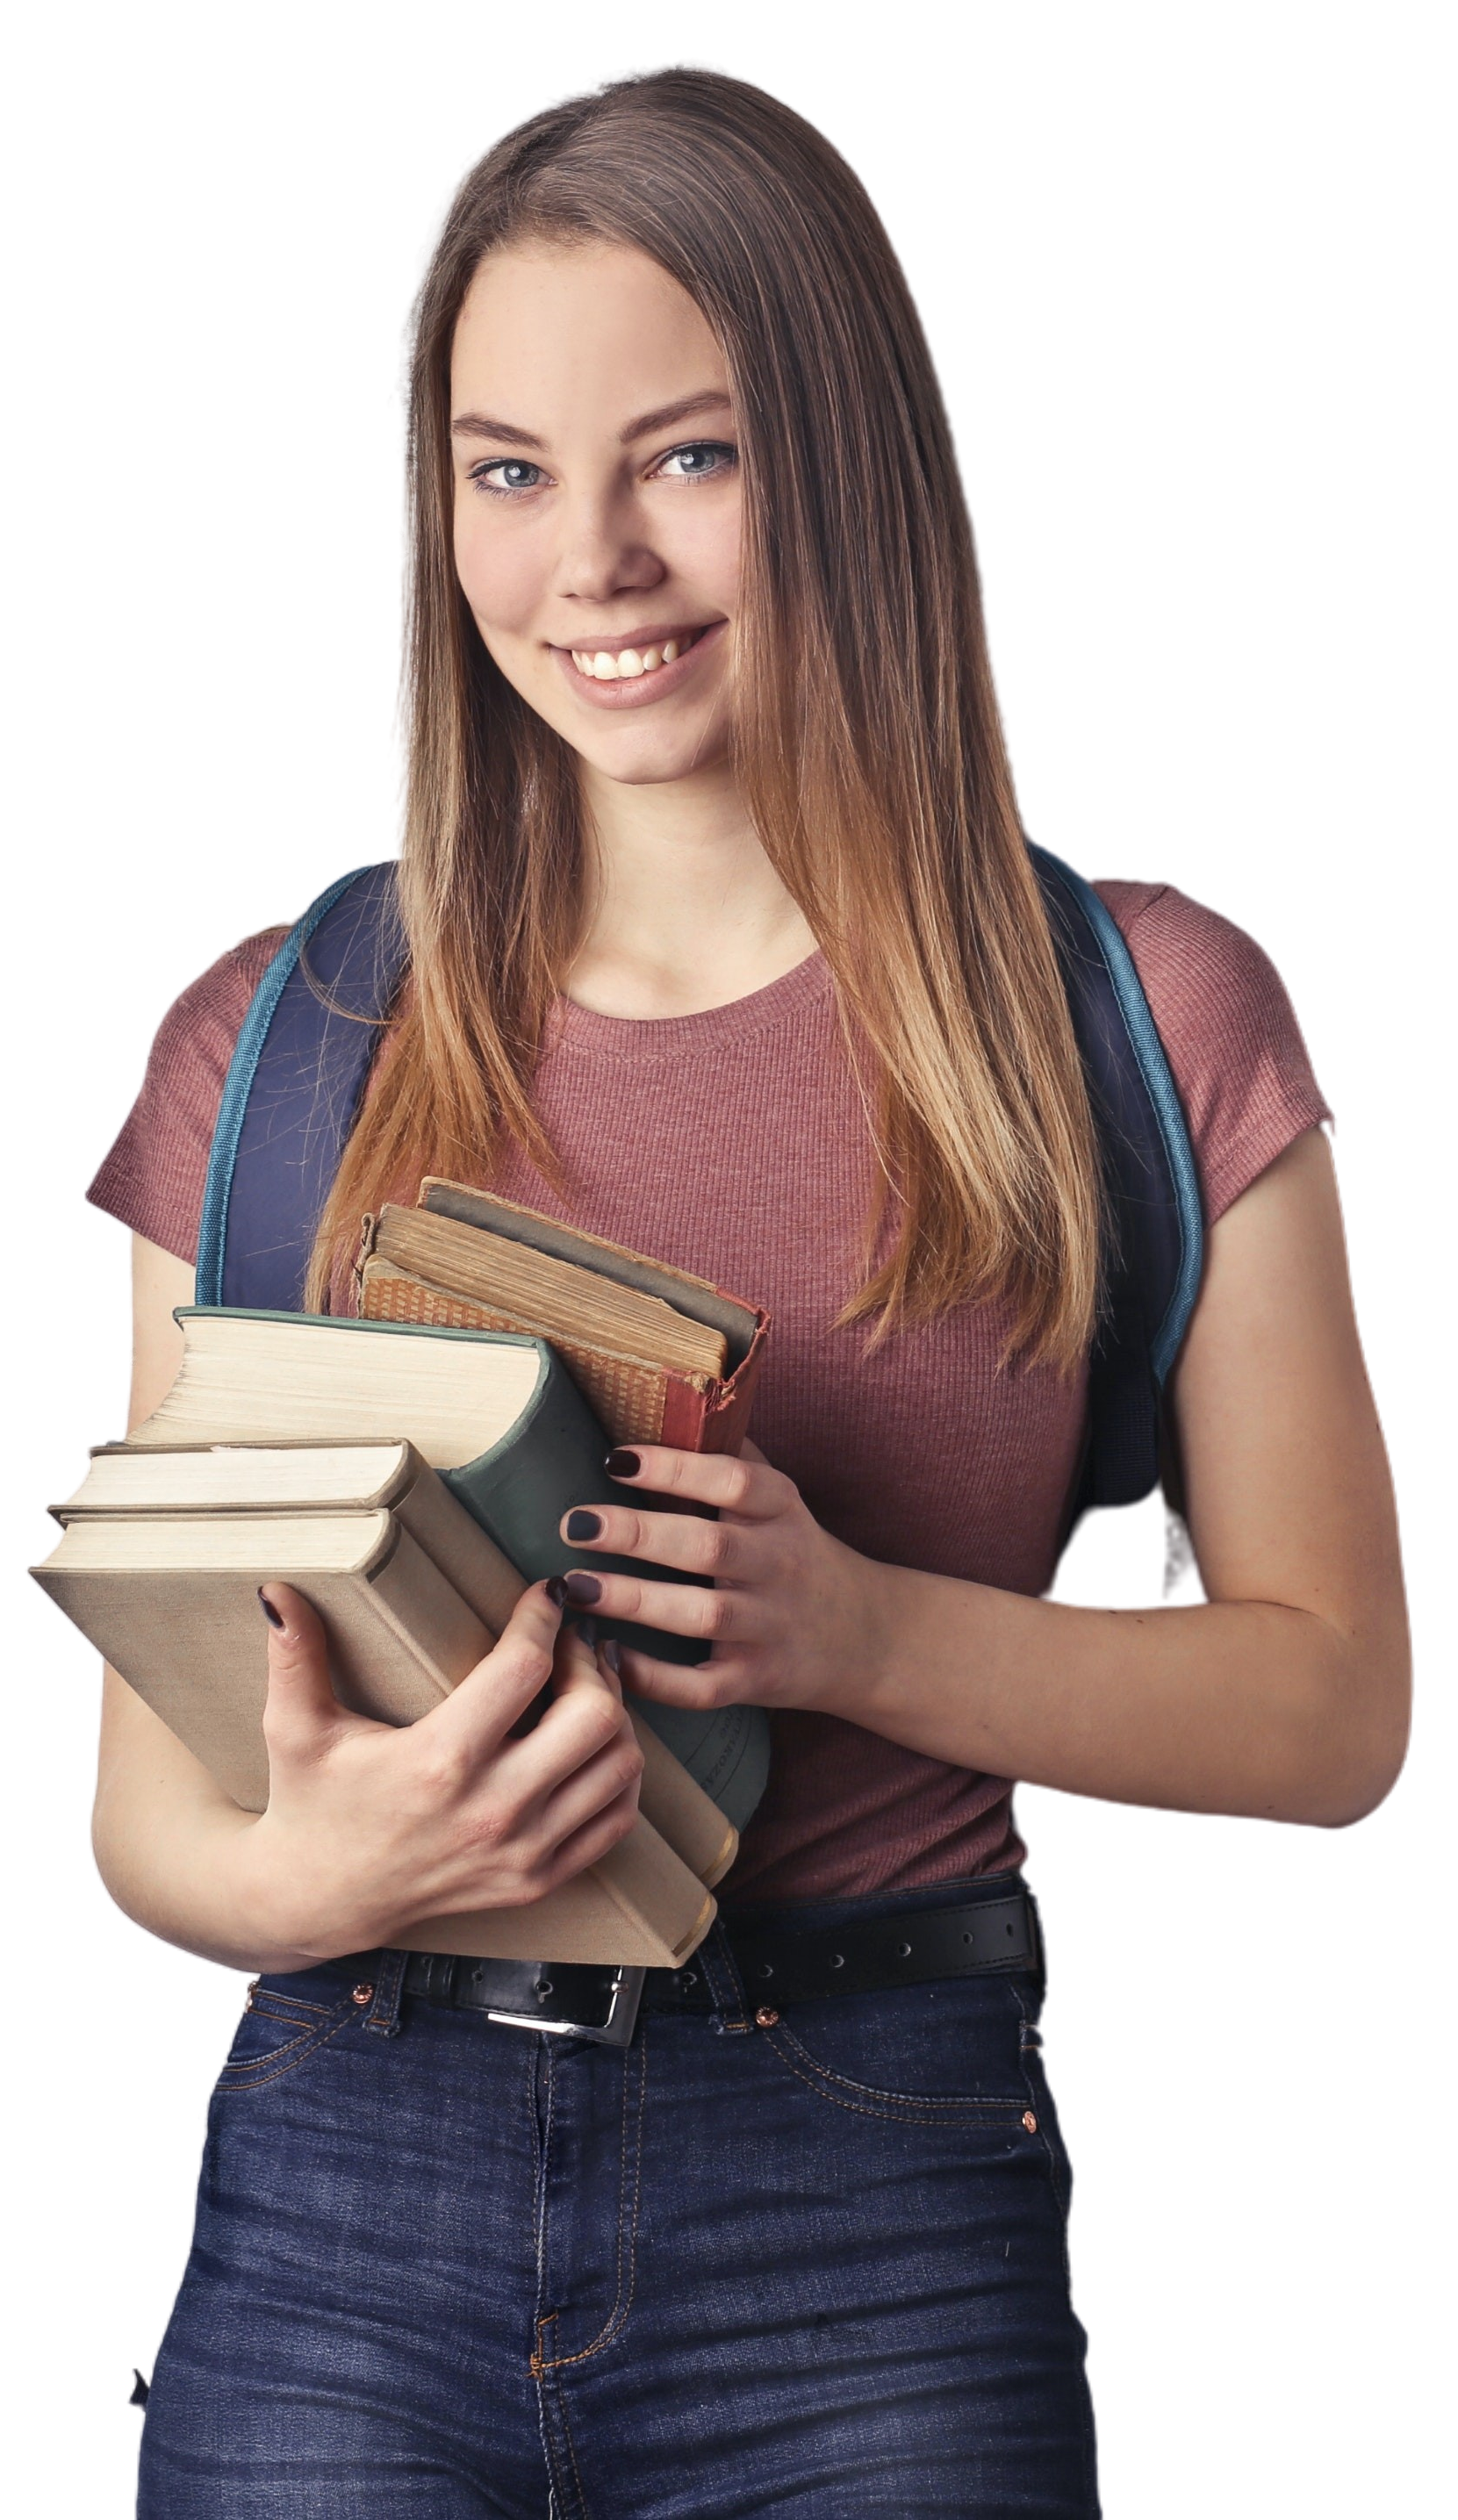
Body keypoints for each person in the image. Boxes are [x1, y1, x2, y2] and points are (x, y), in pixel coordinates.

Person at [86, 60, 1411, 2519]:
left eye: (683, 455)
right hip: (335, 2199)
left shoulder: (1150, 1007)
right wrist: (322, 1871)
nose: (585, 559)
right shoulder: (270, 1037)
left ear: (851, 466)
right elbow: (157, 1806)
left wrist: (853, 1632)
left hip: (870, 2206)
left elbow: (1332, 1706)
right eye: (506, 469)